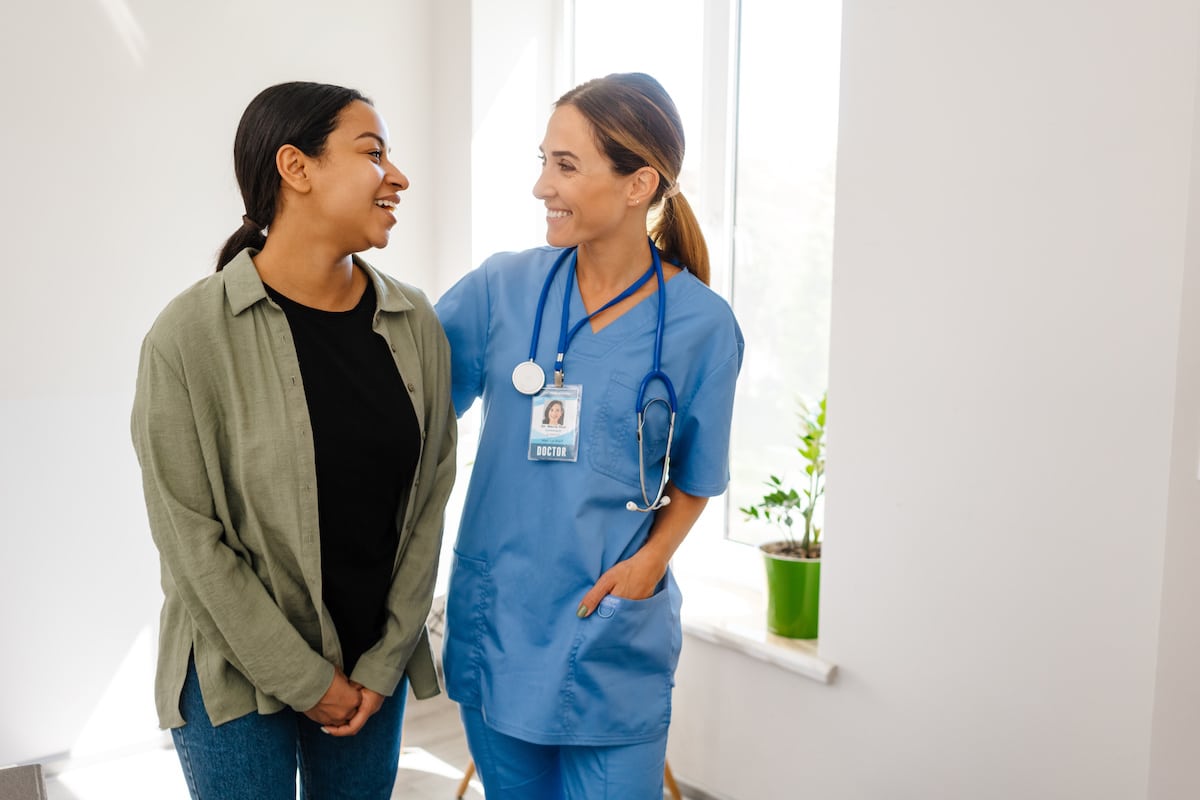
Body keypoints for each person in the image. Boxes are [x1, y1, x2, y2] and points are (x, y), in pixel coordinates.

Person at [130, 81, 457, 800]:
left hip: (373, 666)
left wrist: (382, 661)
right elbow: (192, 543)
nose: (397, 177)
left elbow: (428, 501)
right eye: (372, 153)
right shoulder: (188, 338)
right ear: (295, 168)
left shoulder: (415, 323)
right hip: (234, 670)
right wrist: (307, 683)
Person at [436, 72, 743, 799]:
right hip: (501, 619)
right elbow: (397, 398)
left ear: (639, 184)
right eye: (542, 161)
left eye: (566, 165)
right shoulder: (499, 290)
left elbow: (699, 477)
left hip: (608, 632)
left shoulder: (701, 325)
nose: (543, 186)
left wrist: (651, 562)